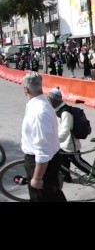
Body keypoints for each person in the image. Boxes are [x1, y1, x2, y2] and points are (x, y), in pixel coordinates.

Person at [21, 71, 67, 202]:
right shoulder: (42, 103)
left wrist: (37, 178)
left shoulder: (38, 112)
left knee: (45, 197)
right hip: (47, 160)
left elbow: (43, 149)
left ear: (26, 89)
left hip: (40, 164)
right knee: (52, 195)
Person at [47, 87, 93, 182]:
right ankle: (66, 177)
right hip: (62, 144)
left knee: (78, 162)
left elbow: (65, 131)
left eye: (50, 99)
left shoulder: (65, 112)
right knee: (62, 162)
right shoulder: (58, 110)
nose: (49, 101)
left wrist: (53, 140)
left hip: (71, 145)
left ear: (55, 100)